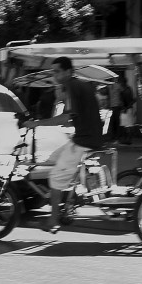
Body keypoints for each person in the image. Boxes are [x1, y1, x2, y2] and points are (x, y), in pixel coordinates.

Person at [25, 57, 105, 233]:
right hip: (90, 137)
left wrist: (37, 123)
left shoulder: (71, 87)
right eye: (53, 72)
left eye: (57, 71)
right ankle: (68, 199)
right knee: (55, 159)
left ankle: (53, 221)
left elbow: (66, 118)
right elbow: (72, 119)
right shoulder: (79, 85)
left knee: (54, 176)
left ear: (69, 71)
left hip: (84, 140)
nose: (55, 75)